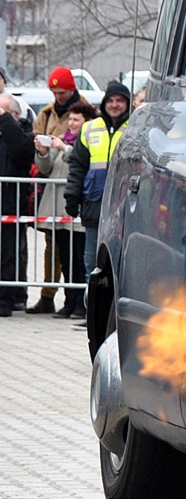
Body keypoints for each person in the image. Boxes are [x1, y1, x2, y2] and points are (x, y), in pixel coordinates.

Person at [64, 82, 134, 299]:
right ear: (104, 103)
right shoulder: (90, 128)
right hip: (94, 205)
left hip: (126, 206)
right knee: (93, 263)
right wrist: (72, 196)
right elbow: (77, 166)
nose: (115, 105)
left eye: (120, 100)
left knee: (124, 264)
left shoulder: (135, 128)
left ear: (127, 104)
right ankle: (93, 315)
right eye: (111, 100)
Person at [29, 66, 87, 313]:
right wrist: (42, 150)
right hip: (53, 191)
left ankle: (77, 300)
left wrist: (63, 146)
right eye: (55, 92)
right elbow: (44, 162)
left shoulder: (86, 113)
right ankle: (49, 295)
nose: (59, 96)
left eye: (62, 91)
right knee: (55, 246)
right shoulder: (47, 114)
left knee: (77, 249)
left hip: (74, 192)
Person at [35, 101, 93, 318]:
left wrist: (64, 148)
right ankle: (69, 302)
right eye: (70, 119)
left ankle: (81, 303)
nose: (71, 123)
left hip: (75, 210)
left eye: (76, 119)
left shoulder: (85, 141)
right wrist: (42, 153)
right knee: (66, 259)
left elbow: (81, 161)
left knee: (79, 259)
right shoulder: (65, 140)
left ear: (86, 122)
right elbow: (47, 169)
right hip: (57, 209)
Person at [0, 93, 35, 316]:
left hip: (10, 204)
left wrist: (5, 121)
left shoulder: (24, 134)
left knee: (8, 255)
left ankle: (6, 300)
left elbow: (23, 151)